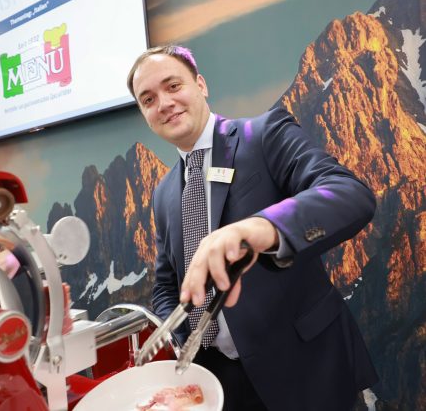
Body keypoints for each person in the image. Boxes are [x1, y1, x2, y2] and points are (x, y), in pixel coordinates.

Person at [127, 45, 378, 411]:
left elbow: (349, 193)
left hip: (306, 371)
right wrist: (184, 344)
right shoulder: (163, 192)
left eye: (173, 86)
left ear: (201, 85)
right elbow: (166, 285)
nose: (164, 103)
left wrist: (261, 228)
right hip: (222, 385)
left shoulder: (263, 134)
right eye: (148, 99)